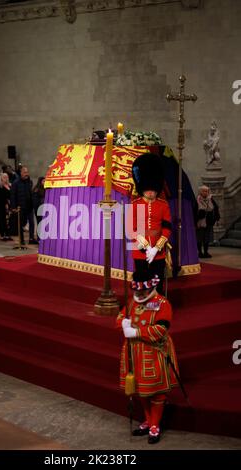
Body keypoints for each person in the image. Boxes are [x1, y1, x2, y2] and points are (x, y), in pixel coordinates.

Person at [116, 272, 179, 444]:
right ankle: (149, 420)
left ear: (152, 287)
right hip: (134, 352)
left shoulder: (162, 304)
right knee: (140, 389)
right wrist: (123, 323)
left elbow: (161, 329)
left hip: (154, 352)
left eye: (144, 292)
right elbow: (121, 316)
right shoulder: (133, 300)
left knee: (156, 390)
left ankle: (154, 425)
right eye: (138, 292)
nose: (140, 295)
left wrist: (136, 331)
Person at [129, 153, 172, 294]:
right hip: (140, 252)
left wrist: (156, 248)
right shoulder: (135, 204)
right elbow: (132, 229)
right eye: (148, 189)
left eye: (154, 190)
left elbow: (167, 228)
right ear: (142, 188)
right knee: (141, 282)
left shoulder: (163, 205)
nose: (151, 193)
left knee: (157, 281)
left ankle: (157, 305)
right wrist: (146, 246)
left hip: (158, 253)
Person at [10, 166, 38, 245]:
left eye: (27, 172)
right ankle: (21, 240)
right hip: (20, 207)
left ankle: (31, 238)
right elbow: (12, 195)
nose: (26, 174)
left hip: (29, 206)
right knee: (21, 224)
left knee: (32, 223)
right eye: (25, 172)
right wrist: (13, 207)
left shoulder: (29, 182)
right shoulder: (16, 183)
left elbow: (30, 193)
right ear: (21, 173)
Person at [196, 185, 220, 258]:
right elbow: (194, 210)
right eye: (203, 191)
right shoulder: (197, 200)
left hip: (209, 221)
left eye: (206, 191)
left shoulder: (211, 199)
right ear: (200, 192)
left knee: (207, 238)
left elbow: (216, 208)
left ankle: (206, 252)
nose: (205, 192)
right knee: (199, 238)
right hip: (200, 222)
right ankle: (200, 252)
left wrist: (216, 218)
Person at [0, 172, 12, 241]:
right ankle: (2, 235)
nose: (6, 178)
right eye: (4, 177)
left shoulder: (10, 186)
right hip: (1, 206)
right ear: (1, 179)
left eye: (7, 177)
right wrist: (5, 203)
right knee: (2, 220)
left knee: (8, 221)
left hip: (9, 206)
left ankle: (8, 234)